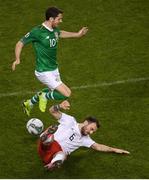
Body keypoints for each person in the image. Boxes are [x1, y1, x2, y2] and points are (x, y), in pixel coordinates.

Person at [12, 7, 88, 116]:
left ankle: (29, 103)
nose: (61, 21)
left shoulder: (54, 29)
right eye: (59, 19)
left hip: (53, 69)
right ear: (51, 19)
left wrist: (77, 34)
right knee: (66, 94)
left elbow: (60, 33)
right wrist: (17, 59)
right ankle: (44, 96)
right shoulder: (37, 32)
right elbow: (20, 43)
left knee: (57, 92)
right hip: (43, 71)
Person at [38, 100, 130, 170]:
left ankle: (52, 164)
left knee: (63, 155)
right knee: (50, 138)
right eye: (91, 129)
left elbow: (98, 147)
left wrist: (114, 150)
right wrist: (60, 106)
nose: (91, 132)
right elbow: (52, 111)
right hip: (47, 145)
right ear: (86, 122)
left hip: (54, 154)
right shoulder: (70, 120)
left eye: (93, 131)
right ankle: (46, 135)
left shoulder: (85, 139)